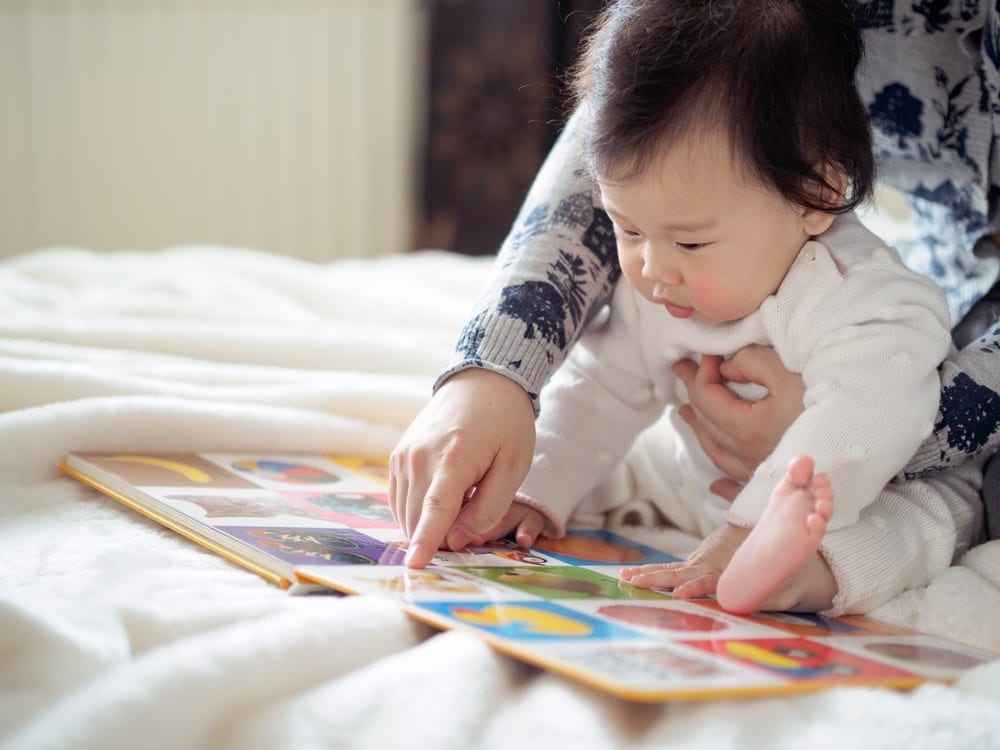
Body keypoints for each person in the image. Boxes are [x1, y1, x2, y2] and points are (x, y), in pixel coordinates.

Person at [390, 0, 1000, 597]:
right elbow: (602, 387)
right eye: (626, 229)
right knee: (625, 466)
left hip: (879, 484)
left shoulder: (862, 295)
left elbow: (872, 409)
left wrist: (752, 523)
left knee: (919, 526)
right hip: (710, 477)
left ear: (817, 195)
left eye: (689, 240)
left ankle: (797, 574)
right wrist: (532, 487)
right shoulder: (662, 274)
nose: (652, 269)